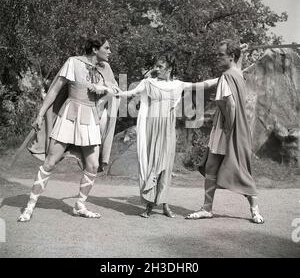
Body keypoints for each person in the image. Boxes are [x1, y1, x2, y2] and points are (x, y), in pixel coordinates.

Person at [90, 53, 218, 218]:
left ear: (170, 68)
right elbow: (130, 93)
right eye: (156, 66)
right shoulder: (148, 83)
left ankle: (165, 204)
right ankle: (149, 204)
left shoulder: (178, 84)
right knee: (151, 163)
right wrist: (113, 91)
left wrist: (222, 78)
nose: (156, 69)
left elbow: (201, 85)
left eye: (160, 67)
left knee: (166, 165)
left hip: (168, 129)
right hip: (152, 127)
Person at [18, 36, 118, 222]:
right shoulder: (73, 62)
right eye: (107, 47)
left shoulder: (107, 69)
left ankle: (80, 205)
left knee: (93, 165)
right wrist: (40, 115)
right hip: (70, 116)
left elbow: (115, 91)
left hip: (90, 120)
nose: (110, 51)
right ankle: (29, 206)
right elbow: (55, 90)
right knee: (50, 162)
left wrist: (103, 89)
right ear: (95, 49)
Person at [186, 39, 264, 224]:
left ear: (231, 56)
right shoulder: (237, 73)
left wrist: (229, 128)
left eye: (221, 54)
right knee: (216, 166)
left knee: (239, 169)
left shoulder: (226, 76)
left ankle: (254, 210)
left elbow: (229, 104)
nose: (218, 57)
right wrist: (241, 52)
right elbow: (238, 64)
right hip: (237, 127)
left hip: (226, 127)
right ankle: (209, 208)